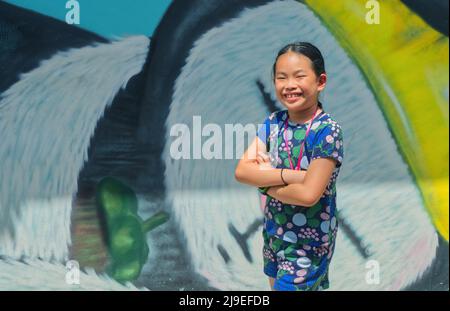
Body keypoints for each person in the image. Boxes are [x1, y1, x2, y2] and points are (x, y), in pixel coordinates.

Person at [234, 42, 344, 291]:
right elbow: (242, 171)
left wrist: (264, 182)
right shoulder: (273, 123)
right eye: (281, 77)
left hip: (308, 245)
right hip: (275, 236)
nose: (289, 85)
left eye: (299, 76)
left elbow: (308, 194)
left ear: (321, 81)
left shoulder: (327, 131)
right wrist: (293, 176)